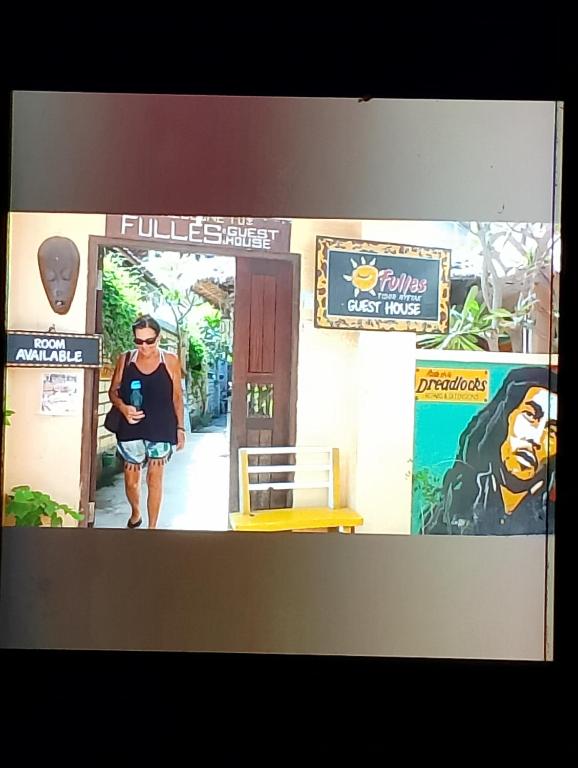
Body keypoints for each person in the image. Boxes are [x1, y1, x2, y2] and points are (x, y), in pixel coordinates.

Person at [425, 366, 557, 535]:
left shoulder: (549, 523)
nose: (536, 438)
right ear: (505, 415)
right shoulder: (450, 507)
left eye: (552, 431)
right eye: (530, 415)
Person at [108, 315, 186, 528]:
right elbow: (113, 391)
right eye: (139, 341)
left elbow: (177, 397)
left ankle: (152, 528)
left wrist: (180, 428)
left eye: (149, 341)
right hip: (131, 427)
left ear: (158, 338)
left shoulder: (169, 361)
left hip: (161, 427)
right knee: (132, 482)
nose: (144, 346)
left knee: (154, 479)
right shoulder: (125, 359)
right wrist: (123, 407)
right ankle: (135, 513)